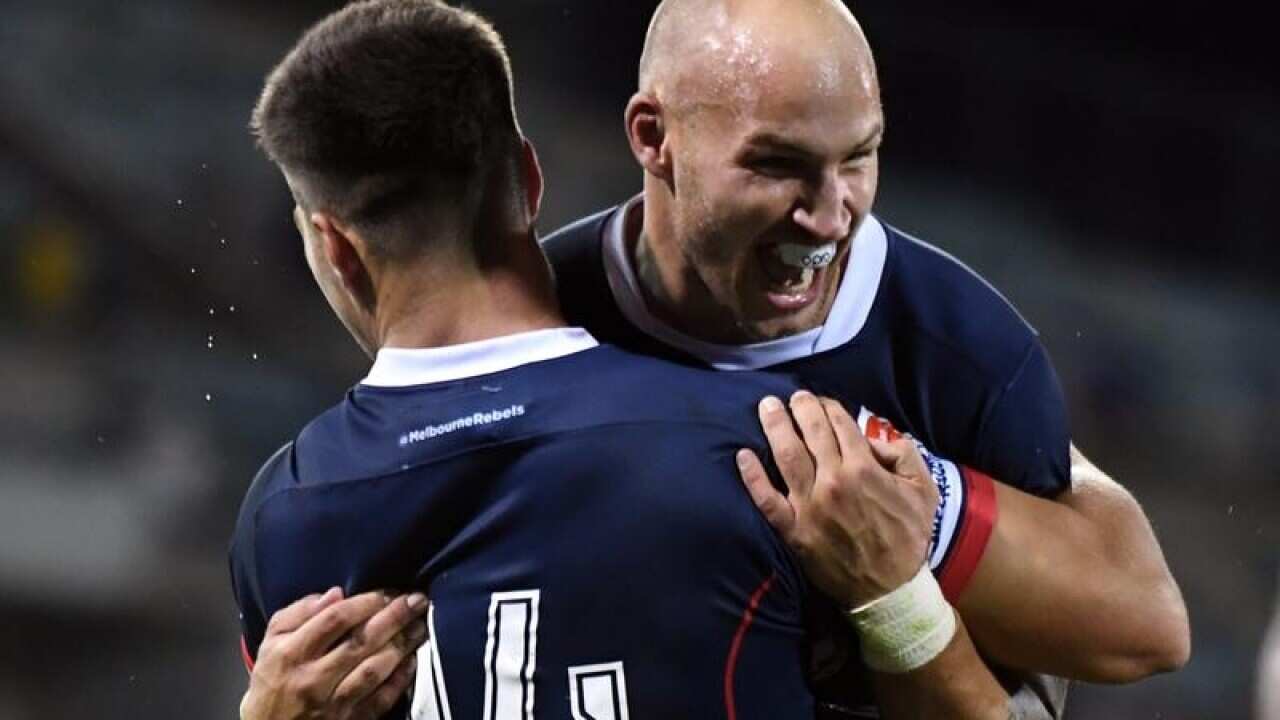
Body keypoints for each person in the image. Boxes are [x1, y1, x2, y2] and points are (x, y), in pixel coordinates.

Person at [241, 0, 1191, 717]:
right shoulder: (575, 335)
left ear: (335, 245)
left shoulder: (955, 351)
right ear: (650, 140)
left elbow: (1144, 629)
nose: (830, 216)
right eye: (777, 166)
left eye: (859, 158)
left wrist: (930, 526)